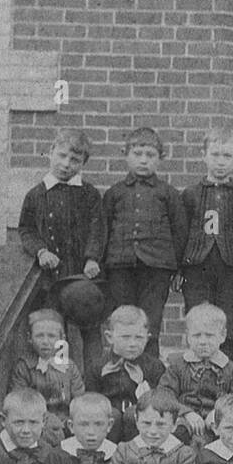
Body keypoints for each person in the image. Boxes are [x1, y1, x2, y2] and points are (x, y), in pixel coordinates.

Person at [87, 126, 187, 361]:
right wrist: (93, 258)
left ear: (160, 159)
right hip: (120, 267)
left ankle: (149, 373)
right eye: (137, 154)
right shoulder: (114, 193)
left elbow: (180, 232)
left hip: (156, 269)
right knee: (121, 318)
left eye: (150, 155)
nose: (143, 160)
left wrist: (179, 269)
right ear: (126, 155)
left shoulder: (168, 194)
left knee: (150, 320)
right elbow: (101, 229)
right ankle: (117, 371)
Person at [17, 128, 102, 373]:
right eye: (62, 156)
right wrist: (41, 251)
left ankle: (92, 385)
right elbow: (26, 230)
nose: (66, 164)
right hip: (50, 279)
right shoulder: (36, 195)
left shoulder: (89, 194)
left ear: (83, 164)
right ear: (51, 152)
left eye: (74, 160)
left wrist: (92, 258)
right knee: (55, 330)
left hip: (81, 275)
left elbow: (98, 229)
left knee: (89, 329)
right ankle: (57, 382)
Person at [180, 127, 233, 361]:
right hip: (197, 266)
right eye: (215, 155)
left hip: (230, 267)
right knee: (198, 316)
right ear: (204, 156)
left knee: (228, 318)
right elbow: (182, 233)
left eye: (227, 156)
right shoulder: (191, 194)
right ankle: (196, 370)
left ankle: (226, 369)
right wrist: (178, 269)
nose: (220, 162)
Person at [157, 303, 233, 445]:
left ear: (222, 336)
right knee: (175, 436)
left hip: (217, 420)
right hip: (186, 420)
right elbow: (165, 393)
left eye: (209, 336)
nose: (203, 341)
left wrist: (218, 413)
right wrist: (186, 413)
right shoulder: (178, 366)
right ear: (188, 337)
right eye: (197, 336)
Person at [87, 304, 165, 443]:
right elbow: (91, 400)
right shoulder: (98, 366)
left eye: (139, 338)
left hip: (141, 424)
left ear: (147, 337)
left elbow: (160, 401)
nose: (133, 343)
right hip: (108, 423)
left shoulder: (155, 367)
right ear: (109, 337)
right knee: (111, 415)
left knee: (133, 415)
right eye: (125, 337)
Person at [9, 308, 85, 446]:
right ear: (29, 338)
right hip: (38, 422)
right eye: (39, 336)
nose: (45, 341)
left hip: (68, 421)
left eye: (51, 336)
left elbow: (79, 399)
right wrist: (46, 418)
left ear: (62, 339)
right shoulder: (24, 367)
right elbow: (20, 401)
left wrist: (73, 419)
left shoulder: (69, 367)